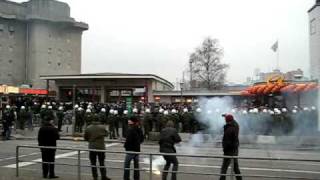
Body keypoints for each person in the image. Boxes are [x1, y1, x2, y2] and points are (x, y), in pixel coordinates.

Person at [219, 114, 242, 180]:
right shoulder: (236, 125)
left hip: (229, 151)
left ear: (227, 121)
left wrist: (225, 150)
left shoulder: (229, 130)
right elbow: (233, 120)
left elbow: (227, 142)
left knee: (224, 168)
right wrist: (226, 115)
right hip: (235, 150)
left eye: (225, 119)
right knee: (235, 168)